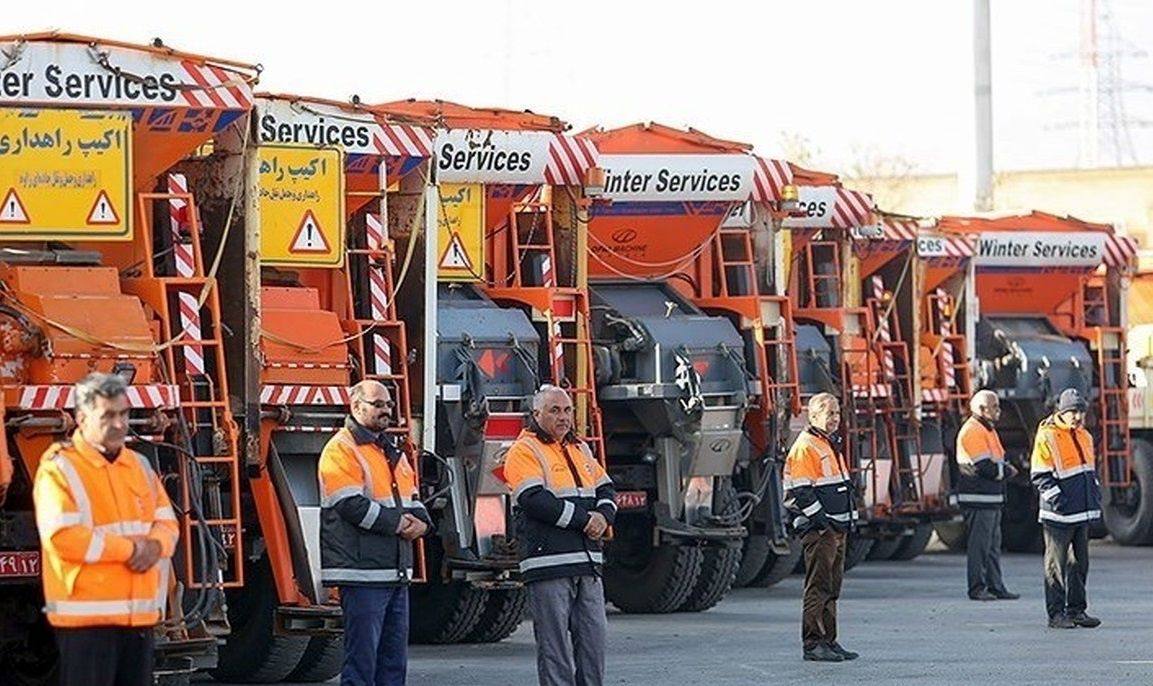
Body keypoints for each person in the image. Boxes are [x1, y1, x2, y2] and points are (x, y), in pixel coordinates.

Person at [33, 372, 179, 686]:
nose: (118, 424)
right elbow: (63, 538)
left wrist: (156, 545)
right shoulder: (59, 468)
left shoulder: (139, 465)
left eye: (124, 414)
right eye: (108, 416)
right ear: (81, 418)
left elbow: (167, 522)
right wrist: (133, 550)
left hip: (138, 619)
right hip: (87, 623)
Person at [318, 380, 431, 686]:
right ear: (356, 407)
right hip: (362, 574)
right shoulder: (341, 448)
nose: (387, 410)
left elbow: (414, 500)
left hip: (394, 573)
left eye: (389, 405)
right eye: (378, 404)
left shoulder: (391, 451)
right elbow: (349, 504)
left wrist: (422, 522)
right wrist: (399, 524)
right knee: (362, 664)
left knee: (393, 664)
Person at [503, 385, 616, 686]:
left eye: (567, 410)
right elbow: (534, 499)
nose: (563, 417)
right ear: (536, 414)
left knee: (594, 645)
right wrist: (585, 521)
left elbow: (606, 488)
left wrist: (603, 516)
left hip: (588, 564)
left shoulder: (580, 449)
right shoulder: (524, 450)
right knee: (555, 652)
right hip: (548, 564)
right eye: (555, 410)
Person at [783, 392, 859, 663]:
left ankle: (829, 640)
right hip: (822, 530)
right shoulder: (807, 446)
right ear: (813, 416)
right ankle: (814, 643)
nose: (835, 418)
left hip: (836, 528)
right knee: (819, 587)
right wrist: (822, 523)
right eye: (829, 414)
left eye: (837, 413)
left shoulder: (827, 443)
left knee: (832, 587)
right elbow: (802, 491)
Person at [1031, 388, 1102, 629]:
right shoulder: (1047, 436)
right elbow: (1040, 475)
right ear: (1062, 412)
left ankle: (1077, 610)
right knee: (1056, 567)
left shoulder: (1084, 436)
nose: (1078, 417)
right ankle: (1056, 615)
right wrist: (1059, 501)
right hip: (1058, 515)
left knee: (1079, 564)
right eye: (1073, 412)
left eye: (1081, 411)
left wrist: (1094, 496)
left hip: (1081, 512)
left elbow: (1088, 472)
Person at [956, 390, 1020, 600]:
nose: (999, 411)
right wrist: (1008, 471)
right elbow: (986, 468)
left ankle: (995, 586)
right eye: (995, 407)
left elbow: (996, 462)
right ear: (982, 409)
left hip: (990, 499)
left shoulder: (987, 430)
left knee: (992, 546)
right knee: (980, 547)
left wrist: (1004, 469)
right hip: (979, 499)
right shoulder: (973, 431)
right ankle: (977, 588)